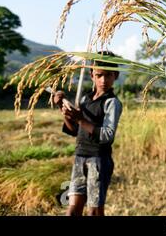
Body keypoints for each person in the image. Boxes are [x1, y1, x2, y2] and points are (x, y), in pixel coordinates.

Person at [53, 51, 123, 216]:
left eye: (108, 75)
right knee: (73, 209)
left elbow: (107, 135)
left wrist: (79, 119)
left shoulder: (112, 103)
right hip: (80, 157)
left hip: (98, 160)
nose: (103, 80)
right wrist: (62, 108)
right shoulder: (85, 99)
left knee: (94, 211)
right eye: (99, 75)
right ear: (92, 75)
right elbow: (75, 131)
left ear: (116, 76)